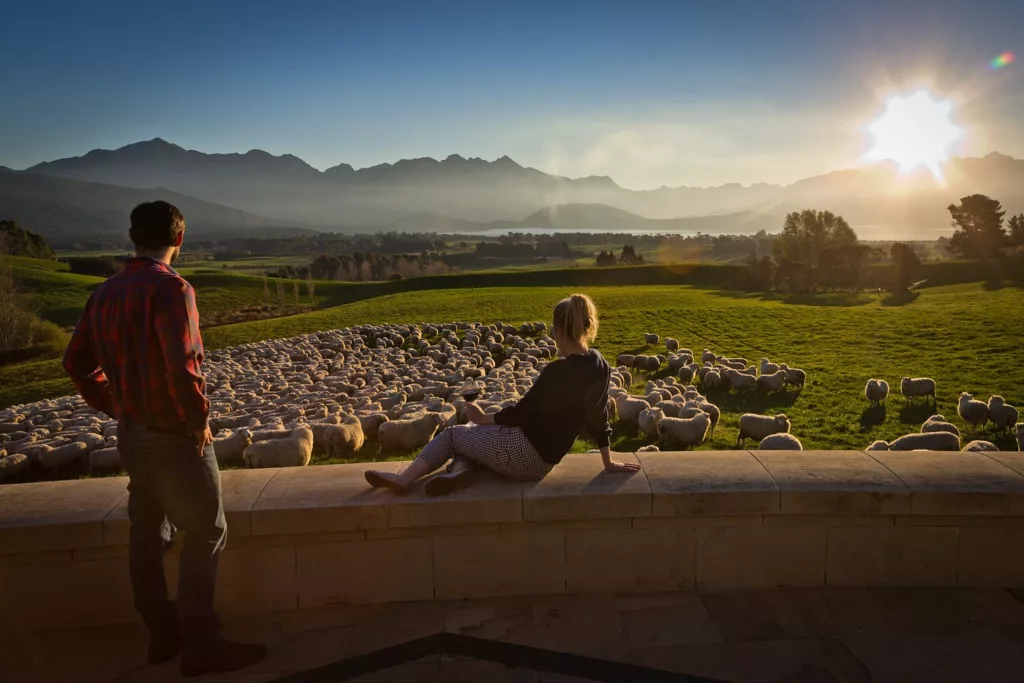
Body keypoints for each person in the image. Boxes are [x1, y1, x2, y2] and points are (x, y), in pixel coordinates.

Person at [63, 201, 266, 677]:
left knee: (147, 532)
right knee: (206, 529)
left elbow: (76, 363)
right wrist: (197, 422)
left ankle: (161, 633)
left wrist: (114, 405)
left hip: (132, 434)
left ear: (134, 237)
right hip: (174, 435)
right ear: (180, 238)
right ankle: (201, 642)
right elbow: (184, 364)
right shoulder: (173, 290)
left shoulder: (105, 293)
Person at [364, 293, 639, 496]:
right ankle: (461, 472)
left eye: (554, 332)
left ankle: (405, 479)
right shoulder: (599, 364)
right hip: (545, 462)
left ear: (562, 331)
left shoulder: (558, 371)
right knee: (472, 440)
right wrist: (608, 461)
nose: (553, 338)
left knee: (454, 435)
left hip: (522, 455)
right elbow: (598, 415)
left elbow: (523, 413)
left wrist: (484, 418)